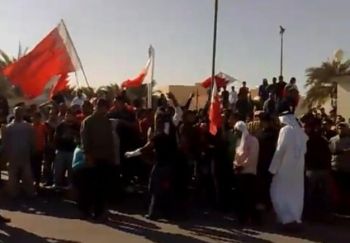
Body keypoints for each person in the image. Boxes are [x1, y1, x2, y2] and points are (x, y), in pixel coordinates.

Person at [125, 109, 179, 220]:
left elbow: (145, 148)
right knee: (167, 189)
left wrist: (130, 154)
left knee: (154, 188)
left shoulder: (159, 136)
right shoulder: (172, 133)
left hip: (160, 166)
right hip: (171, 165)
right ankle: (168, 213)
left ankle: (153, 213)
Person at [269, 112, 308, 227]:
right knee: (295, 193)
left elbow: (280, 150)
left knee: (278, 191)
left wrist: (273, 168)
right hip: (297, 170)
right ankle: (294, 217)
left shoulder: (285, 130)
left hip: (284, 169)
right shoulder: (301, 132)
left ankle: (286, 218)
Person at [81, 98, 116, 219]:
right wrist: (88, 156)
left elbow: (110, 139)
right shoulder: (88, 121)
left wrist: (112, 155)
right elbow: (85, 141)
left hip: (105, 157)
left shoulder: (106, 121)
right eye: (104, 107)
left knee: (102, 187)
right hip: (93, 157)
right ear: (99, 107)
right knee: (91, 187)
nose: (106, 110)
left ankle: (99, 212)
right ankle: (86, 210)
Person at [2, 106, 35, 198]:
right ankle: (13, 193)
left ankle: (30, 193)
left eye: (20, 112)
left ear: (23, 113)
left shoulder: (28, 126)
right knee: (13, 175)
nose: (18, 114)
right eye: (16, 112)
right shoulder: (9, 127)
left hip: (24, 154)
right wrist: (6, 153)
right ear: (14, 113)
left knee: (27, 175)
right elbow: (5, 142)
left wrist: (32, 148)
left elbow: (32, 139)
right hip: (13, 155)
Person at [304, 118, 332, 220]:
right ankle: (326, 214)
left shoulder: (307, 140)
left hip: (312, 170)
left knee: (309, 193)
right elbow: (328, 155)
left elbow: (305, 155)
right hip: (324, 170)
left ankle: (309, 214)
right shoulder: (323, 140)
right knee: (325, 194)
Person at [233, 121, 259, 225]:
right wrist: (235, 164)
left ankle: (253, 218)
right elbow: (236, 156)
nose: (235, 133)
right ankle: (241, 218)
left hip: (249, 173)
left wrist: (242, 165)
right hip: (239, 173)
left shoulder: (253, 141)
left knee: (249, 197)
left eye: (237, 131)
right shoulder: (239, 141)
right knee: (240, 197)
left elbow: (252, 157)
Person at [256, 114, 279, 211]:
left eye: (264, 121)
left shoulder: (274, 133)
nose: (262, 123)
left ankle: (268, 204)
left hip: (269, 161)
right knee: (261, 184)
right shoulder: (259, 133)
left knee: (268, 184)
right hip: (260, 162)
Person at [54, 109, 80, 189]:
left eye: (70, 115)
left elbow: (80, 138)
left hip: (72, 151)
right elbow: (55, 138)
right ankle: (57, 186)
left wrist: (74, 137)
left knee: (71, 171)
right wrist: (62, 137)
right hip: (61, 151)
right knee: (58, 170)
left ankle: (71, 187)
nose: (68, 117)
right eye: (67, 115)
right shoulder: (60, 126)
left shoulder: (77, 126)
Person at [329, 122, 350, 212]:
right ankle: (337, 207)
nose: (341, 129)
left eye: (343, 127)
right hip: (335, 167)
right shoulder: (333, 139)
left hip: (347, 168)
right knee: (336, 189)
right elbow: (331, 151)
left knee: (346, 189)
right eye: (339, 127)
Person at [31, 112, 48, 191]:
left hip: (40, 150)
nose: (36, 119)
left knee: (38, 167)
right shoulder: (30, 127)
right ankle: (32, 183)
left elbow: (47, 136)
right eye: (34, 117)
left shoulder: (43, 126)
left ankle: (37, 183)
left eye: (38, 118)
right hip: (32, 150)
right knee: (32, 167)